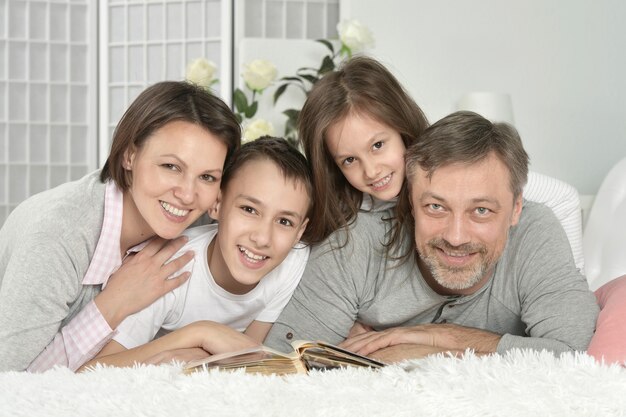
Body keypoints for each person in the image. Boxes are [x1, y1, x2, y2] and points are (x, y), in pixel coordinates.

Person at [265, 111, 598, 362]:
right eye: (436, 207)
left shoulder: (535, 233)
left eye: (481, 211)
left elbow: (573, 355)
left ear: (515, 210)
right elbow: (285, 361)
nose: (455, 237)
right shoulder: (352, 248)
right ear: (410, 202)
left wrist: (438, 340)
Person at [0, 81, 242, 372]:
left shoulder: (194, 217)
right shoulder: (59, 238)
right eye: (171, 167)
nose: (188, 195)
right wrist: (114, 303)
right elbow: (10, 382)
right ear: (130, 155)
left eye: (207, 177)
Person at [298, 55, 584, 270]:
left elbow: (564, 198)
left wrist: (573, 282)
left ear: (402, 128)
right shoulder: (347, 212)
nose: (371, 171)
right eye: (349, 160)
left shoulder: (450, 167)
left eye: (378, 145)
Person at [80, 137, 313, 368]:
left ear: (299, 231)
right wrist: (199, 334)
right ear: (217, 204)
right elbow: (90, 370)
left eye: (284, 221)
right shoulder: (171, 269)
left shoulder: (292, 261)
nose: (262, 238)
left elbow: (247, 355)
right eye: (249, 209)